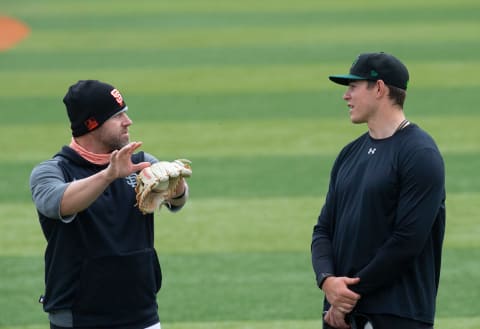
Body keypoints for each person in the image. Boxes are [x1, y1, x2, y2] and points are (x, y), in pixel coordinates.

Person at [30, 80, 190, 329]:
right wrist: (108, 175)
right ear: (91, 124)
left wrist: (175, 185)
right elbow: (58, 203)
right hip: (79, 318)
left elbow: (176, 202)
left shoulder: (140, 163)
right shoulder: (53, 171)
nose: (128, 121)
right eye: (118, 116)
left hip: (142, 314)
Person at [311, 52, 446, 329]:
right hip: (341, 315)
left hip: (396, 314)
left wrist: (349, 294)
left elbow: (407, 240)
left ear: (380, 88)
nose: (345, 96)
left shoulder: (419, 153)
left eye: (353, 87)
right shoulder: (349, 154)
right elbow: (323, 229)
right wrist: (327, 281)